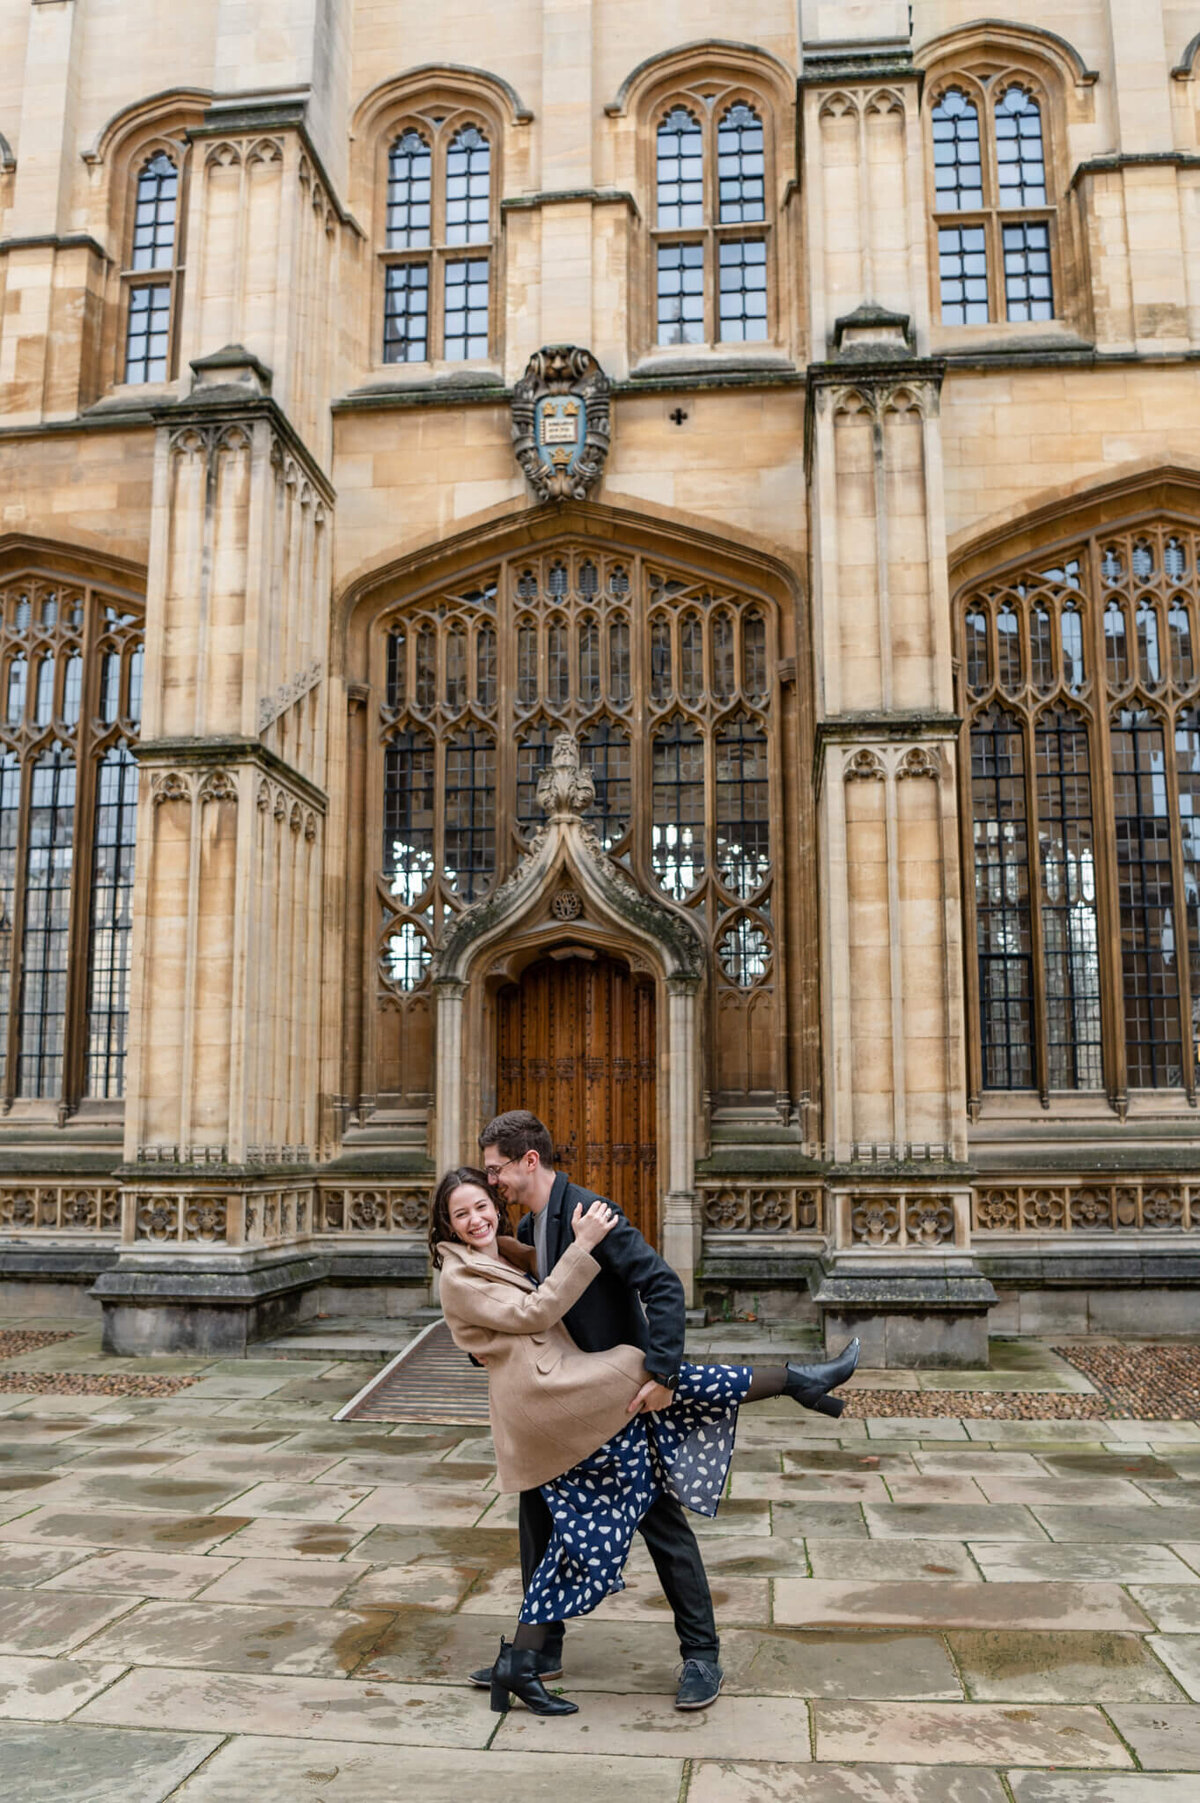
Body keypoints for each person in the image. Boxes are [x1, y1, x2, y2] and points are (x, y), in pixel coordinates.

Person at [432, 1114, 858, 1716]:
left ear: (529, 1161)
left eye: (496, 1171)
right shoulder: (526, 1229)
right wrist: (477, 1346)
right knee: (538, 1524)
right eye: (479, 1188)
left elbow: (663, 1286)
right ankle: (536, 1653)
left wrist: (660, 1373)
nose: (493, 1185)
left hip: (618, 1398)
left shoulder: (592, 1215)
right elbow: (511, 1317)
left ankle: (700, 1656)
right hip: (563, 1406)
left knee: (662, 1526)